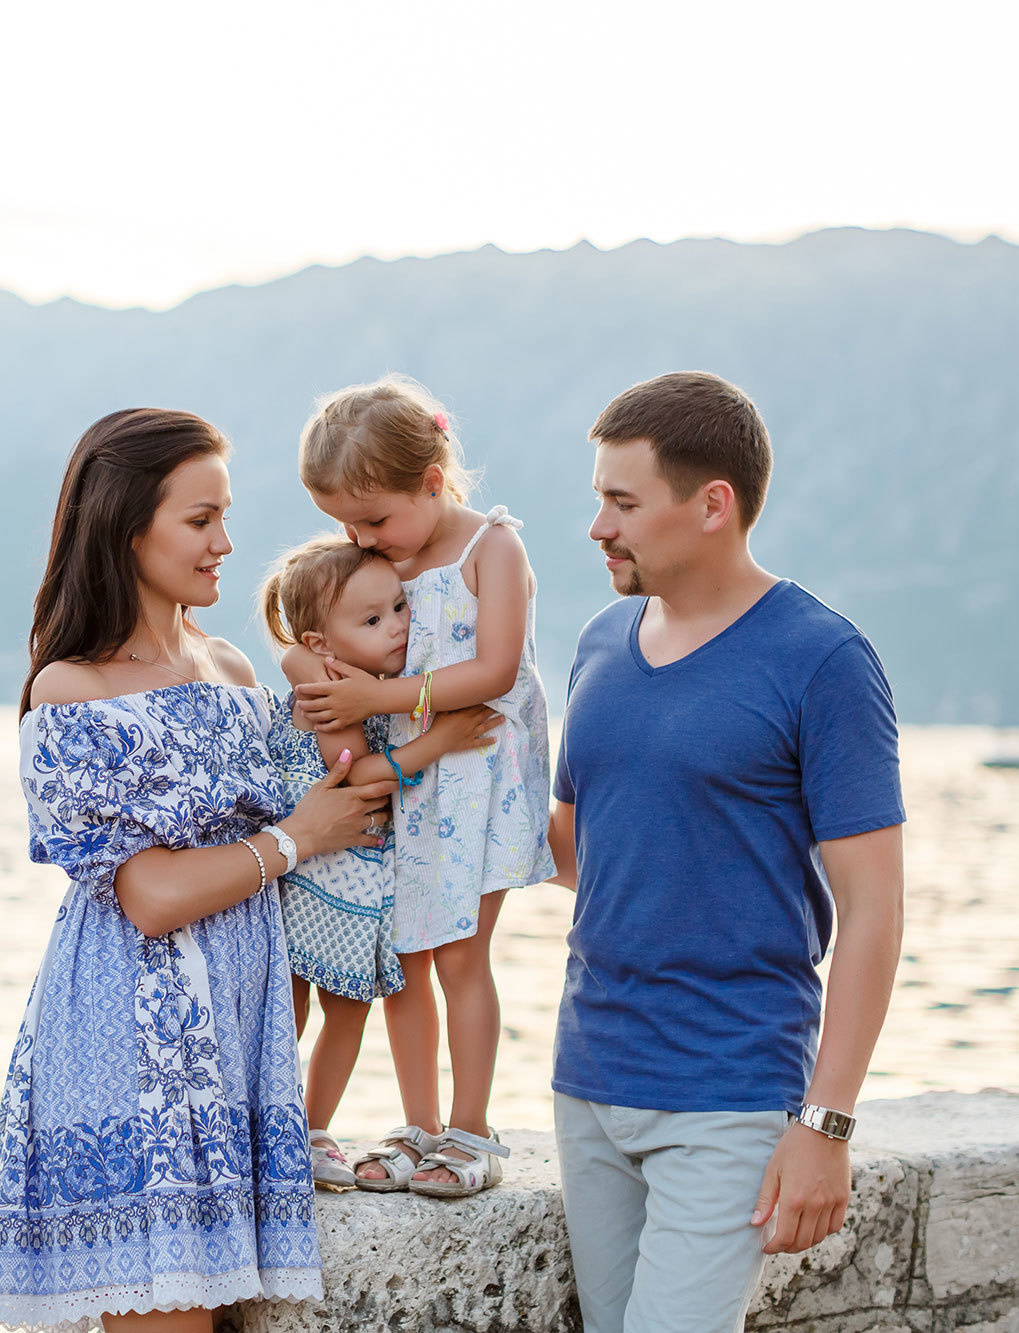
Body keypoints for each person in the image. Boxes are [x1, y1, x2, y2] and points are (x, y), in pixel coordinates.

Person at [0, 409, 396, 1333]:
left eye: (224, 517)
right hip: (135, 1041)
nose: (225, 544)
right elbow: (151, 896)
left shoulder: (237, 669)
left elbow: (336, 787)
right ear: (128, 527)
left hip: (238, 1031)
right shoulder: (72, 689)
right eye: (201, 520)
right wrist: (297, 838)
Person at [547, 372, 906, 1331]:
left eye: (621, 502)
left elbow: (873, 908)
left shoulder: (822, 660)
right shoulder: (599, 642)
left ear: (713, 505)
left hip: (728, 1090)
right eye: (598, 500)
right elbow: (585, 850)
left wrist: (824, 1123)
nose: (598, 527)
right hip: (587, 1076)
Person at [291, 375, 557, 1198]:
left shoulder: (492, 550)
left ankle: (470, 1128)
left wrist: (379, 696)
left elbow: (495, 670)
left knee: (462, 954)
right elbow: (300, 628)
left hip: (477, 778)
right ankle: (418, 1124)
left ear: (434, 482)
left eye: (372, 518)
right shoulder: (383, 559)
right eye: (343, 521)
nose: (358, 536)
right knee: (406, 958)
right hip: (413, 784)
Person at [257, 534, 504, 1188]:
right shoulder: (325, 679)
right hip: (309, 877)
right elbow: (354, 772)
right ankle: (272, 1128)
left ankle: (311, 1127)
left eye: (399, 608)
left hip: (359, 882)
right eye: (372, 620)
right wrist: (442, 737)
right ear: (321, 642)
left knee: (348, 1012)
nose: (397, 627)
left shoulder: (384, 678)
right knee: (291, 1008)